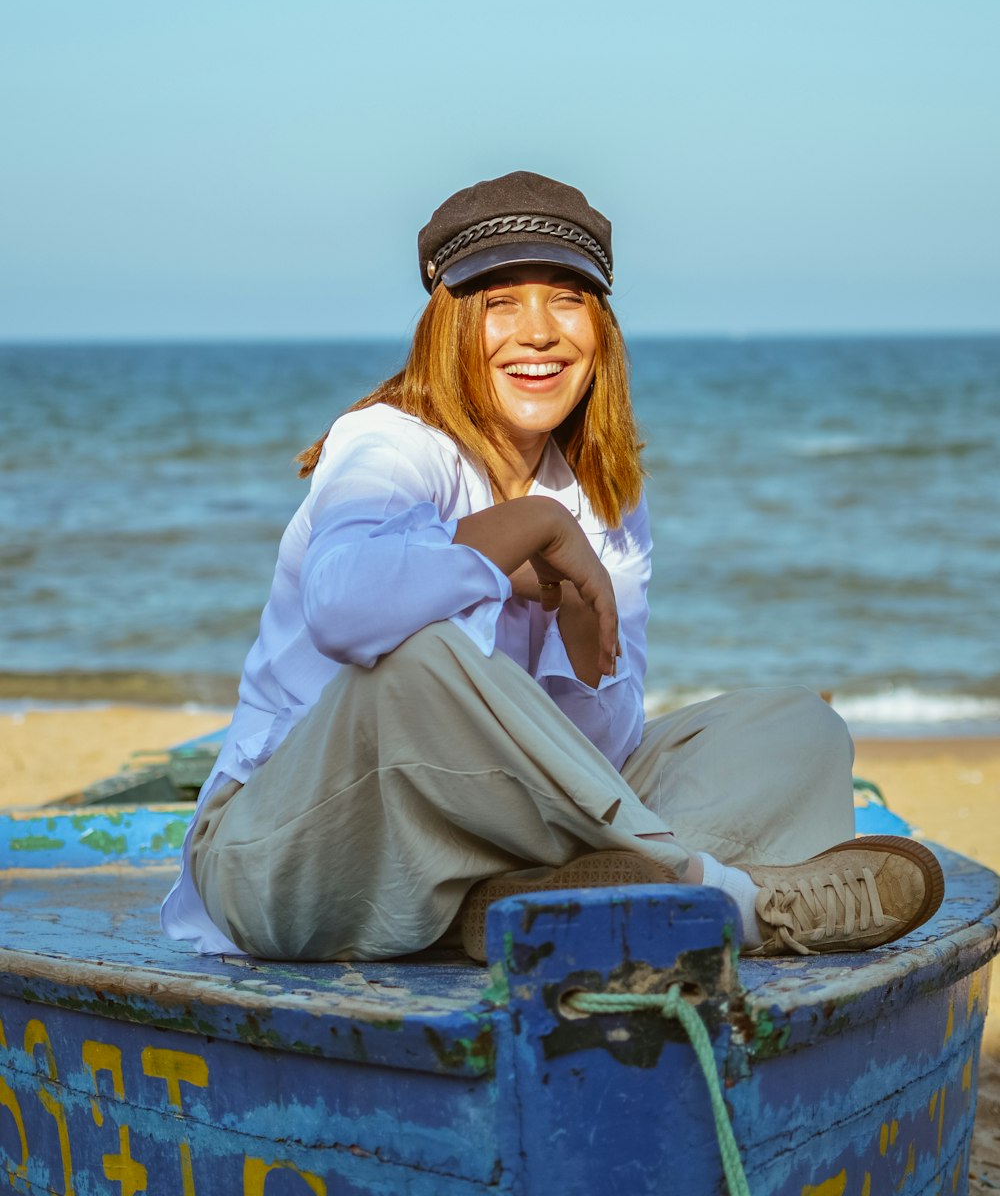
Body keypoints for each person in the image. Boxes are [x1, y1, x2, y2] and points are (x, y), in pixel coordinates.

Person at [161, 170, 943, 963]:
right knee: (420, 660)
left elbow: (599, 749)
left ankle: (527, 906)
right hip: (287, 853)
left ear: (599, 329)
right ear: (448, 327)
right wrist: (524, 534)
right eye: (500, 303)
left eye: (567, 299)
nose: (538, 332)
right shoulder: (389, 444)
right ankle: (734, 901)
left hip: (489, 849)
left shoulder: (603, 492)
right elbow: (344, 608)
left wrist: (573, 644)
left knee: (796, 727)